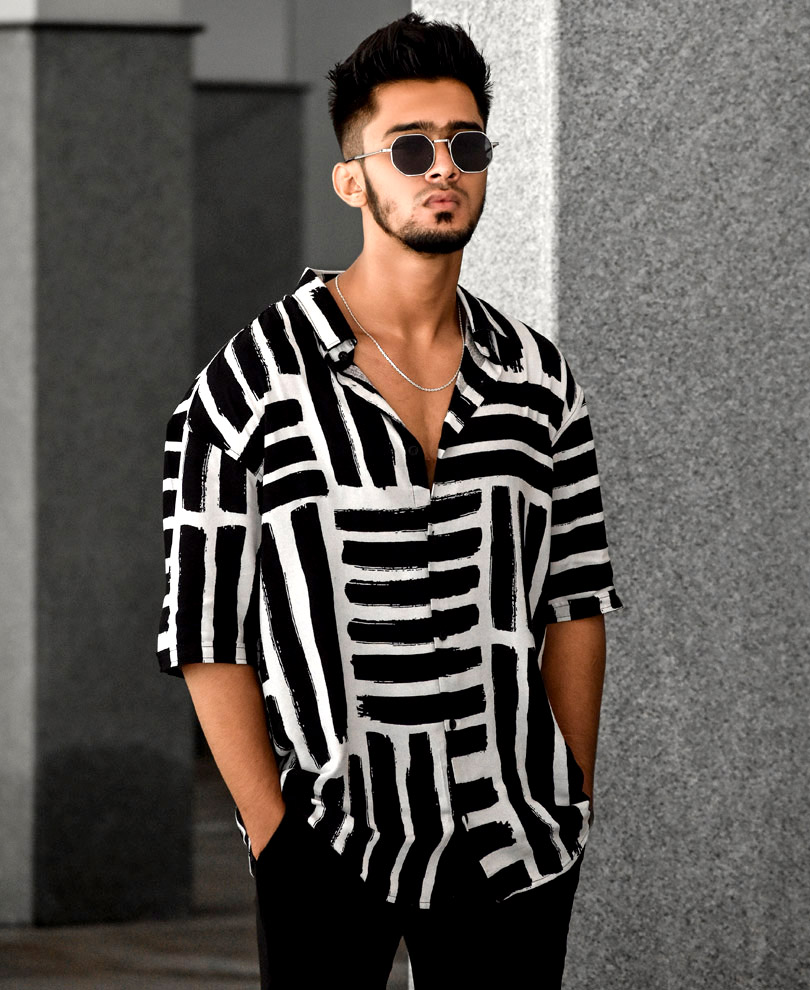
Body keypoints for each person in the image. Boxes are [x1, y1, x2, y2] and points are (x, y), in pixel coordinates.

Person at [156, 12, 623, 989]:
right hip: (330, 841)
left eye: (466, 145)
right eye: (410, 147)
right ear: (352, 180)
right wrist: (274, 833)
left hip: (515, 845)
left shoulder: (540, 381)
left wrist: (568, 795)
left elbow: (576, 601)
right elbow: (204, 629)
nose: (442, 167)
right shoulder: (251, 382)